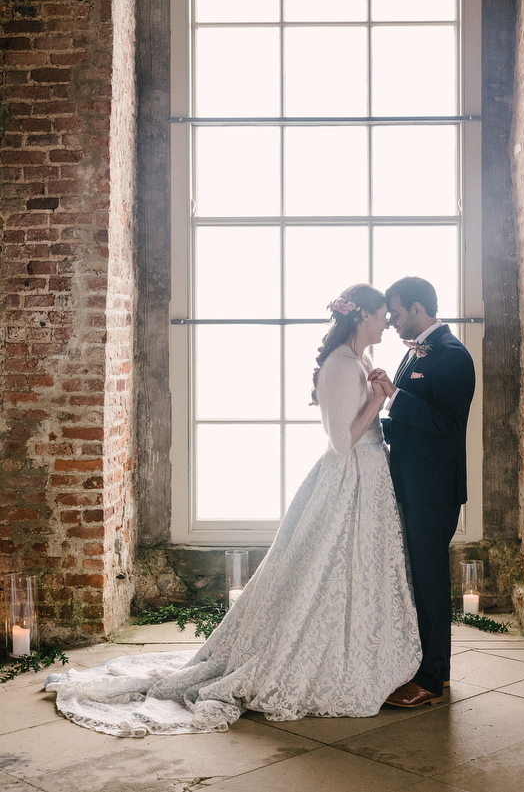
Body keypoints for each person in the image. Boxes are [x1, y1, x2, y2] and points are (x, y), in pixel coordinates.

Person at [45, 284, 421, 736]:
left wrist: (379, 391)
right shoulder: (342, 364)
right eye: (383, 315)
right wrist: (379, 400)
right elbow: (342, 442)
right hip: (350, 479)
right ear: (363, 317)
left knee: (358, 574)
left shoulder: (359, 361)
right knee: (326, 573)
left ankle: (363, 652)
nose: (388, 322)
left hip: (369, 480)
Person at [369, 276, 475, 708]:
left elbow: (450, 427)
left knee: (431, 583)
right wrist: (371, 428)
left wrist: (395, 396)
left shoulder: (452, 356)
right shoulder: (415, 353)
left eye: (394, 312)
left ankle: (430, 681)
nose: (391, 321)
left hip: (433, 491)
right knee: (419, 579)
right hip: (412, 484)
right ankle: (434, 671)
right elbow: (416, 425)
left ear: (417, 308)